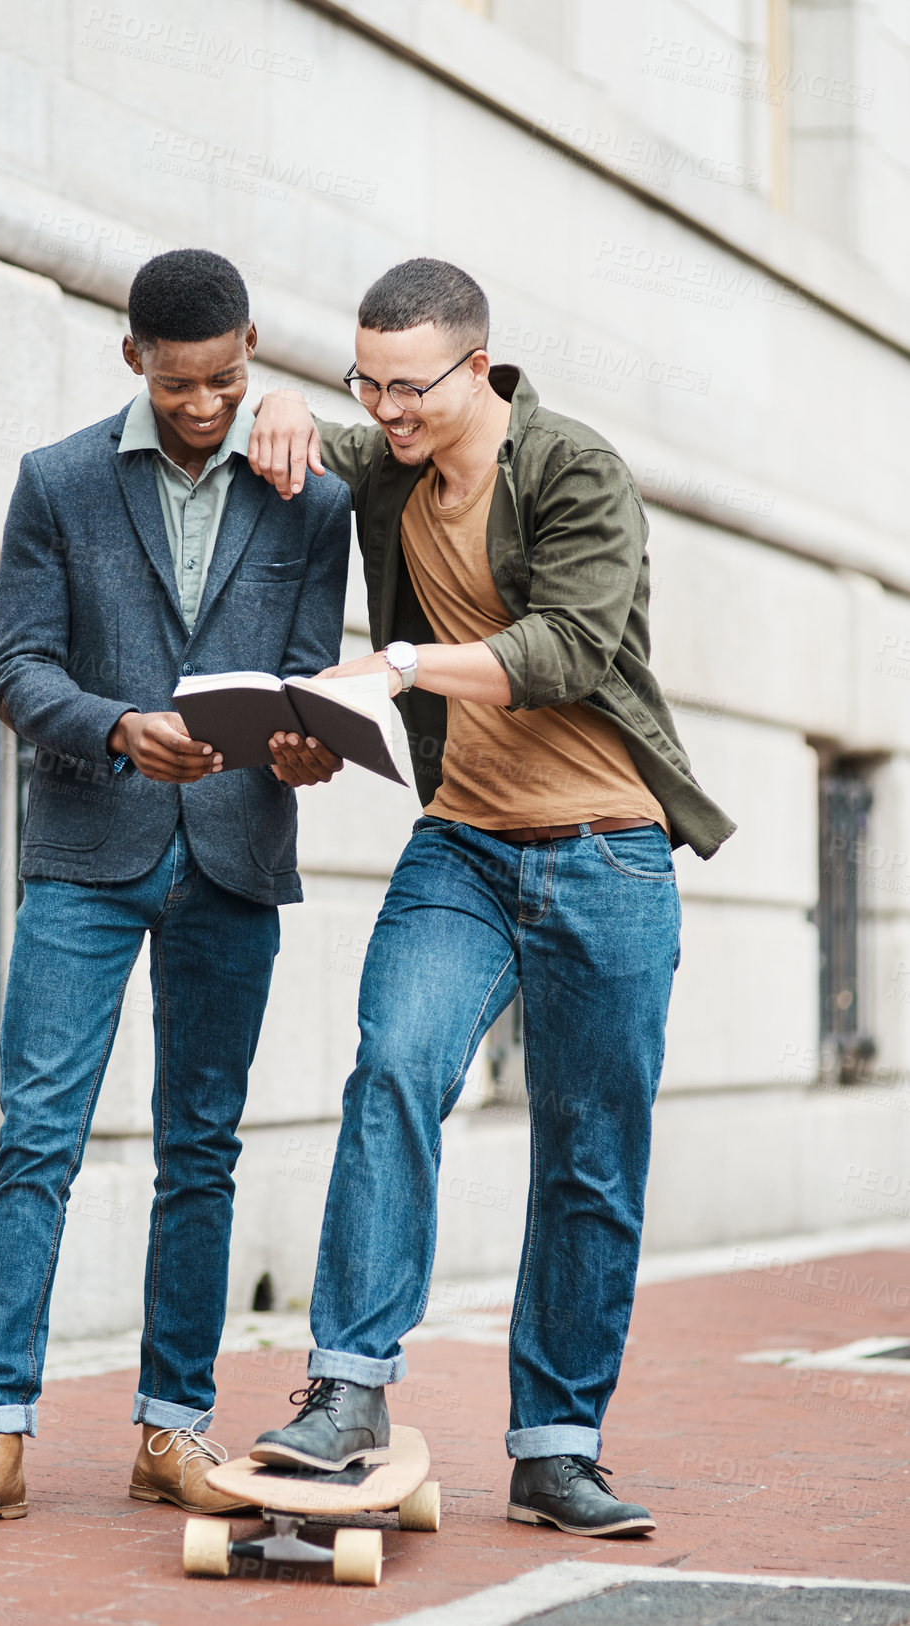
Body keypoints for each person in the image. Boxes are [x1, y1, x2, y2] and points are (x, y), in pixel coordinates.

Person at [244, 258, 735, 1537]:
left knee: (587, 1157)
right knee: (393, 1067)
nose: (387, 411)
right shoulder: (388, 452)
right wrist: (282, 409)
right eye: (369, 382)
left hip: (607, 852)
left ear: (478, 368)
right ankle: (347, 1389)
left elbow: (571, 646)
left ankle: (556, 1448)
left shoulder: (575, 470)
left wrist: (399, 660)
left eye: (410, 387)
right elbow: (310, 438)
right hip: (463, 844)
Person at [0, 248, 350, 1531]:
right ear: (131, 359)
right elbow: (15, 668)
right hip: (87, 856)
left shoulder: (311, 500)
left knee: (198, 1154)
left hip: (234, 856)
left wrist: (307, 742)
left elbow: (309, 671)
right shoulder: (56, 482)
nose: (204, 405)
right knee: (35, 1145)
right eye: (178, 383)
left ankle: (172, 1427)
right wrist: (113, 726)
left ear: (252, 348)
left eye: (224, 380)